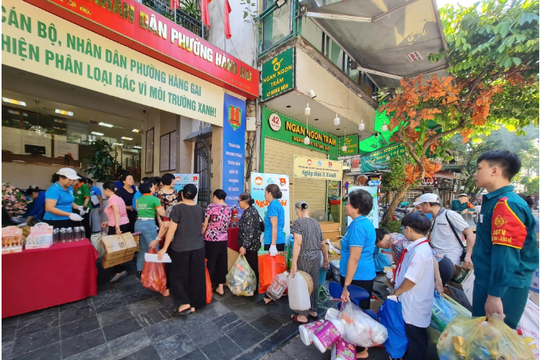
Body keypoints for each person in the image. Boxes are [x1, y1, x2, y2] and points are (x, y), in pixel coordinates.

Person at [472, 150, 538, 329]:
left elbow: (506, 255)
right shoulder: (495, 202)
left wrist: (495, 295)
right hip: (491, 282)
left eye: (479, 168)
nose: (475, 174)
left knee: (493, 345)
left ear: (494, 171)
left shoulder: (506, 204)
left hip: (503, 287)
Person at [158, 184, 206, 316]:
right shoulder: (200, 208)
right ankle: (195, 304)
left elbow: (172, 229)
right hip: (199, 247)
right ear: (195, 196)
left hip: (181, 248)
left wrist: (164, 248)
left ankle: (184, 302)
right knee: (196, 276)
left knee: (178, 276)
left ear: (182, 194)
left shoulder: (177, 208)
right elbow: (203, 225)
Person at [392, 212, 435, 360]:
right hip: (415, 302)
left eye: (403, 228)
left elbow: (411, 280)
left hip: (414, 305)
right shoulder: (419, 248)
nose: (403, 232)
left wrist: (396, 292)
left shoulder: (419, 252)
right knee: (415, 339)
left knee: (416, 342)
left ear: (409, 229)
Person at [289, 201, 327, 324]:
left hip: (304, 257)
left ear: (297, 209)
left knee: (303, 285)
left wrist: (294, 264)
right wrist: (326, 259)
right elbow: (322, 243)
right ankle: (313, 310)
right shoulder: (315, 222)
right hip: (316, 257)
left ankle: (302, 315)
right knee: (313, 283)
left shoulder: (298, 222)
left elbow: (298, 243)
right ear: (308, 210)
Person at [381, 231, 453, 295]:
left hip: (439, 266)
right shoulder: (396, 237)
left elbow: (428, 254)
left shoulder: (396, 242)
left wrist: (438, 279)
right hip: (442, 263)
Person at [415, 193, 476, 266]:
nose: (421, 207)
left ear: (427, 204)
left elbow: (469, 233)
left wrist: (468, 255)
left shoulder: (449, 215)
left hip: (451, 257)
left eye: (422, 205)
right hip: (437, 256)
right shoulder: (432, 218)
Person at [340, 190, 377, 310]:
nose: (345, 206)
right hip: (361, 275)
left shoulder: (358, 226)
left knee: (355, 316)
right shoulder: (364, 222)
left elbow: (355, 258)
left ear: (356, 208)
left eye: (348, 203)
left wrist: (347, 286)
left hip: (356, 277)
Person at [202, 189, 232, 295]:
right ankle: (220, 287)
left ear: (215, 196)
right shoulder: (229, 208)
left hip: (211, 238)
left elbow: (205, 224)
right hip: (223, 238)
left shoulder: (211, 206)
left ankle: (208, 286)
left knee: (210, 262)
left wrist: (201, 233)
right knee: (221, 262)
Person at [134, 182, 166, 278]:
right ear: (149, 188)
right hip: (149, 224)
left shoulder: (139, 199)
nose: (154, 188)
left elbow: (138, 209)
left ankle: (140, 269)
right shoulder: (154, 199)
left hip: (138, 224)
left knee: (142, 248)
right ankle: (157, 270)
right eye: (152, 186)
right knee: (154, 246)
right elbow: (163, 213)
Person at [100, 181, 130, 283]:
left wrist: (117, 227)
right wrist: (108, 222)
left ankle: (119, 270)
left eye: (104, 190)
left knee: (114, 248)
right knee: (120, 247)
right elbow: (118, 213)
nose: (104, 192)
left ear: (107, 190)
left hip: (118, 226)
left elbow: (117, 212)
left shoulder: (112, 198)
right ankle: (120, 267)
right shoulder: (119, 198)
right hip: (124, 223)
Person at [238, 192, 262, 288]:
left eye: (239, 201)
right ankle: (252, 286)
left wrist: (244, 246)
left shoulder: (249, 213)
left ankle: (252, 288)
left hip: (250, 246)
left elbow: (249, 232)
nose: (238, 203)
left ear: (244, 202)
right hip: (253, 244)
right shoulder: (252, 210)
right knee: (251, 267)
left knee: (251, 267)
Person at [264, 184, 285, 254]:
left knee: (271, 265)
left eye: (265, 193)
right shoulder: (277, 204)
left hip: (273, 242)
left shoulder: (273, 206)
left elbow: (274, 225)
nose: (264, 196)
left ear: (269, 193)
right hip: (277, 240)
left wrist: (273, 245)